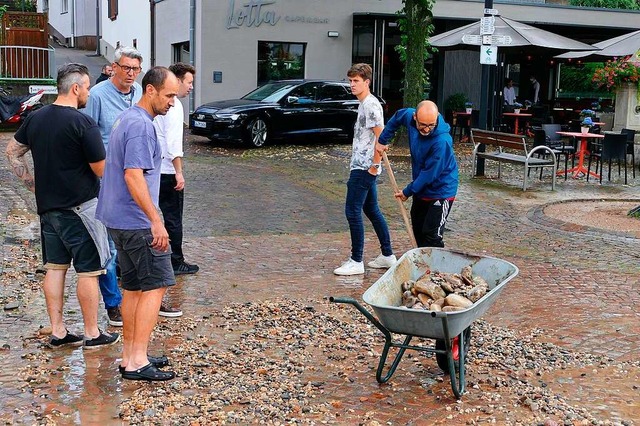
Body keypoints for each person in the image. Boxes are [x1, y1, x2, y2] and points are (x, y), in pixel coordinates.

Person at [5, 63, 119, 349]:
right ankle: (92, 333)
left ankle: (59, 332)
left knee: (55, 269)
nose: (89, 94)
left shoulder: (36, 118)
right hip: (80, 209)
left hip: (49, 210)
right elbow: (101, 169)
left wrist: (32, 185)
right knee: (89, 271)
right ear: (76, 88)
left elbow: (12, 152)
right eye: (88, 88)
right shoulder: (83, 123)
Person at [96, 66, 180, 381]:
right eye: (169, 95)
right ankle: (137, 362)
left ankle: (131, 355)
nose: (173, 102)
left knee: (132, 287)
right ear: (150, 90)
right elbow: (133, 175)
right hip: (136, 222)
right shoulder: (142, 126)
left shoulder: (127, 118)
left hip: (118, 219)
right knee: (156, 286)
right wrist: (156, 221)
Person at [83, 46, 144, 327]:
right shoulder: (97, 96)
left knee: (134, 236)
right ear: (113, 67)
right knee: (107, 243)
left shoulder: (140, 93)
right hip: (105, 180)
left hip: (134, 177)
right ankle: (113, 303)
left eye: (135, 68)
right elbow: (86, 135)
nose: (131, 73)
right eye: (126, 67)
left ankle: (139, 291)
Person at [333, 63, 396, 276]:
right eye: (350, 81)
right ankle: (387, 255)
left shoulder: (370, 105)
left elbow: (382, 137)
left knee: (352, 210)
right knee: (371, 210)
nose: (351, 84)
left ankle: (356, 260)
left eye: (356, 81)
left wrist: (374, 166)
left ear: (366, 82)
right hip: (362, 165)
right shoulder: (364, 103)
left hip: (364, 168)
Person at [377, 100, 458, 248]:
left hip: (441, 190)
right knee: (418, 230)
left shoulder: (442, 141)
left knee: (432, 234)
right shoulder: (409, 116)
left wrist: (408, 191)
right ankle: (423, 266)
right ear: (415, 117)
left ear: (437, 118)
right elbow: (397, 117)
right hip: (421, 189)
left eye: (431, 125)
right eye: (423, 125)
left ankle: (436, 269)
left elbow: (429, 174)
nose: (427, 129)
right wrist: (382, 140)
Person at [153, 63, 199, 281]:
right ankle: (176, 261)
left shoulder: (159, 102)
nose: (191, 87)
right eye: (189, 82)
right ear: (178, 80)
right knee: (173, 218)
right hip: (167, 171)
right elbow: (173, 143)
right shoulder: (175, 106)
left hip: (153, 170)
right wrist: (178, 172)